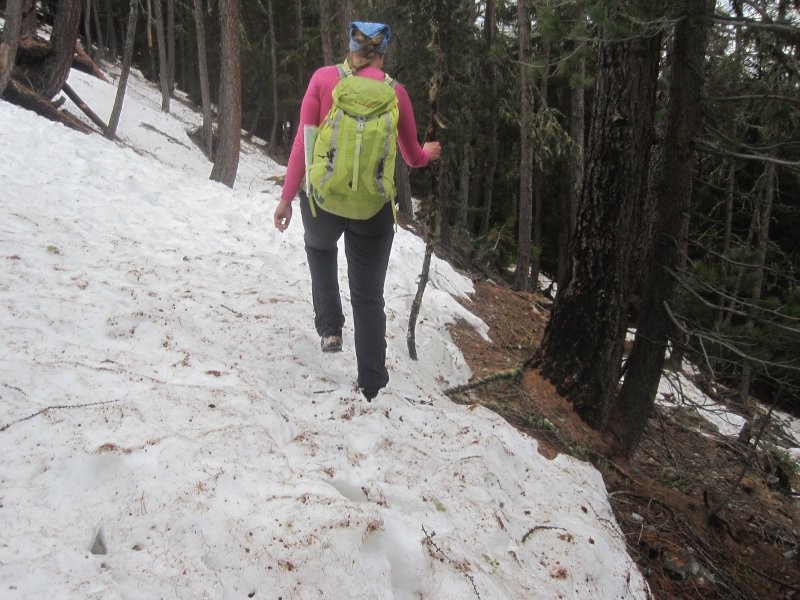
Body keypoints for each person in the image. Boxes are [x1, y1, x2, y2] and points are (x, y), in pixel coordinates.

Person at [273, 21, 441, 402]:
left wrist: (286, 197)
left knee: (319, 249)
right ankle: (372, 385)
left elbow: (305, 141)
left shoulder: (322, 80)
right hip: (373, 210)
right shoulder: (397, 93)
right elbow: (412, 157)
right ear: (383, 53)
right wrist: (428, 153)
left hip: (323, 202)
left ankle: (329, 327)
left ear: (350, 47)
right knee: (368, 297)